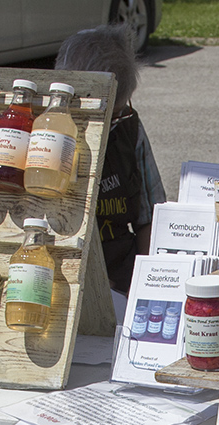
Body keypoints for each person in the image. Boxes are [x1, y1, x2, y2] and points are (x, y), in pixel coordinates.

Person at [55, 24, 167, 293]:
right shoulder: (46, 133)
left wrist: (145, 286)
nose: (115, 122)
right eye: (109, 116)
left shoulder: (129, 127)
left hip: (122, 276)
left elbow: (151, 217)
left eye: (119, 112)